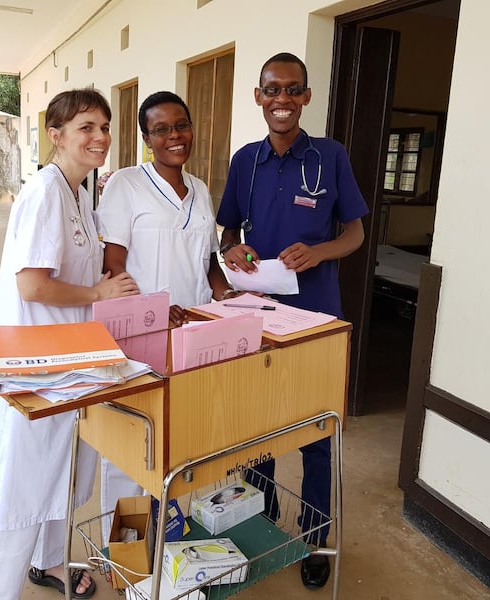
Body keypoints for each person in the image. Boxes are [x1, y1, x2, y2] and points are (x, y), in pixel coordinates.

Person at [0, 88, 139, 600]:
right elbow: (33, 286)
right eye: (87, 127)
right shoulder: (45, 192)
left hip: (67, 357)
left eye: (105, 127)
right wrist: (98, 292)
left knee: (58, 471)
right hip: (34, 361)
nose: (100, 137)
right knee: (22, 486)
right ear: (56, 135)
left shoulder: (80, 191)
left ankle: (48, 564)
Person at [216, 52, 369, 589]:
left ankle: (315, 536)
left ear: (306, 97)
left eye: (293, 90)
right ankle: (258, 517)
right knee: (257, 428)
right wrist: (233, 252)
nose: (282, 100)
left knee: (317, 432)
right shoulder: (245, 160)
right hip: (257, 318)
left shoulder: (330, 156)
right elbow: (227, 234)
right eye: (272, 90)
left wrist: (322, 252)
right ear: (258, 97)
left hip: (316, 321)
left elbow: (355, 233)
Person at [95, 90, 237, 533]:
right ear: (146, 139)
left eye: (181, 125)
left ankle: (170, 535)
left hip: (194, 337)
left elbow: (208, 259)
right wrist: (155, 309)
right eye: (162, 130)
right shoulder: (126, 185)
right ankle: (122, 550)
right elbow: (112, 266)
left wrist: (226, 294)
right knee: (130, 443)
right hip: (139, 337)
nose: (175, 136)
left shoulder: (199, 191)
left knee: (182, 439)